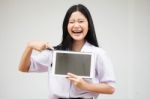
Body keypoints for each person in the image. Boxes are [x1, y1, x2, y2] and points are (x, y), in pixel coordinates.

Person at [19, 4, 116, 99]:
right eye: (71, 22)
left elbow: (110, 88)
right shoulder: (54, 52)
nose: (76, 25)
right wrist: (30, 46)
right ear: (66, 26)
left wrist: (85, 85)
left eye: (81, 21)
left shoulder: (98, 54)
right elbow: (24, 68)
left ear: (89, 25)